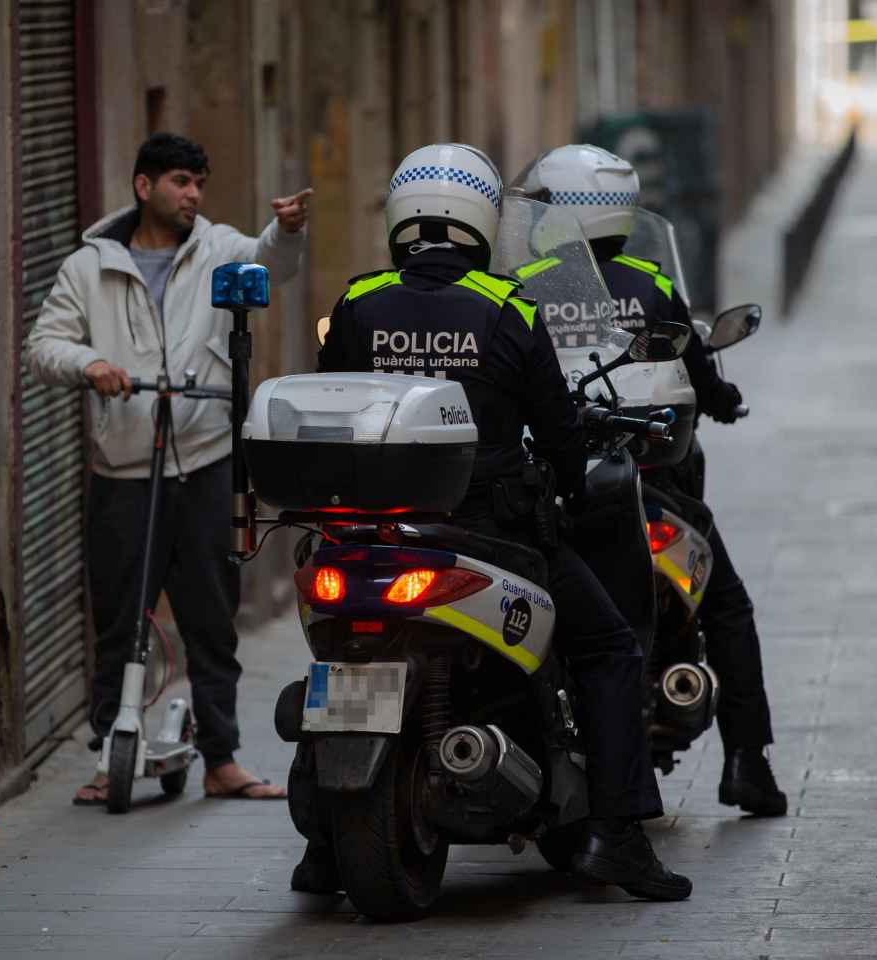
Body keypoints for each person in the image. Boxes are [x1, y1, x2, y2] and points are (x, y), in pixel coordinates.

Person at [298, 142, 692, 901]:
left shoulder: (357, 301)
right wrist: (572, 494)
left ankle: (322, 849)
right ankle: (622, 836)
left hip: (373, 537)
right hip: (494, 534)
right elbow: (560, 431)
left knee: (336, 655)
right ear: (483, 218)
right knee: (609, 649)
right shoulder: (509, 308)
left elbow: (333, 403)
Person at [27, 132, 312, 805]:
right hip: (123, 468)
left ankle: (222, 758)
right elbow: (45, 346)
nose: (192, 196)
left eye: (199, 185)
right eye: (181, 182)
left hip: (204, 461)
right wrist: (90, 365)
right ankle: (109, 754)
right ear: (143, 185)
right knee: (120, 617)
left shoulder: (217, 249)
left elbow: (273, 264)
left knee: (212, 619)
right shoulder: (90, 267)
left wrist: (286, 229)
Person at [515, 144, 787, 817]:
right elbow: (703, 378)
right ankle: (747, 763)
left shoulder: (526, 288)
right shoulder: (653, 285)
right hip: (642, 481)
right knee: (725, 605)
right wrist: (723, 402)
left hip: (551, 482)